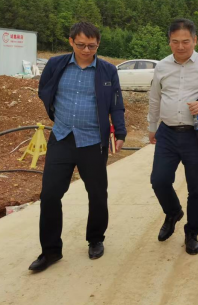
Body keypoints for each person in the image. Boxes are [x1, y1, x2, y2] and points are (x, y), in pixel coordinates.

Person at [30, 22, 126, 272]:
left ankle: (95, 239)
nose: (86, 50)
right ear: (71, 41)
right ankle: (50, 251)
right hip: (62, 137)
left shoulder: (107, 70)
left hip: (93, 141)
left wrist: (120, 132)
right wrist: (55, 114)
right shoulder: (56, 64)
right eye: (81, 45)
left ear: (98, 44)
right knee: (50, 195)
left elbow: (116, 104)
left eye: (92, 46)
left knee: (97, 194)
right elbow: (44, 90)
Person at [148, 18, 198, 256]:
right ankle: (173, 212)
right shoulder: (162, 67)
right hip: (167, 134)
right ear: (169, 41)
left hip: (196, 136)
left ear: (195, 40)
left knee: (196, 188)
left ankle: (192, 233)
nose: (180, 46)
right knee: (159, 180)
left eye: (185, 41)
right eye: (175, 41)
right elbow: (155, 98)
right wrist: (152, 126)